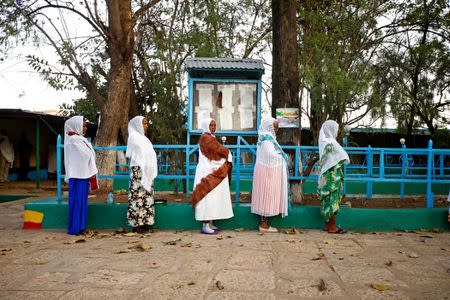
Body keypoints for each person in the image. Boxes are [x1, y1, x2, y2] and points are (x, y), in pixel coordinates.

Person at [192, 118, 233, 234]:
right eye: (211, 125)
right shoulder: (206, 138)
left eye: (215, 125)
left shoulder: (211, 138)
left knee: (213, 198)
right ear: (206, 126)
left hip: (211, 170)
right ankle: (205, 225)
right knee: (207, 198)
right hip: (206, 172)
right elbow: (218, 150)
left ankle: (210, 223)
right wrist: (227, 153)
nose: (213, 127)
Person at [251, 117, 289, 233]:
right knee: (267, 196)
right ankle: (263, 225)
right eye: (275, 126)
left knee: (265, 196)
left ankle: (264, 223)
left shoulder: (265, 137)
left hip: (266, 171)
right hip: (268, 172)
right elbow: (270, 155)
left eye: (277, 127)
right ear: (269, 127)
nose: (276, 129)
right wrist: (281, 156)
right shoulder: (267, 139)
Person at [64, 116, 98, 235]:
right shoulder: (73, 139)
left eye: (86, 126)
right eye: (83, 126)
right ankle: (75, 228)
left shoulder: (80, 139)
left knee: (82, 202)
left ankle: (81, 227)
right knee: (77, 202)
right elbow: (85, 155)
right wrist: (89, 151)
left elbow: (88, 153)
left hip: (83, 175)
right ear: (76, 126)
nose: (85, 128)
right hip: (77, 175)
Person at [126, 116, 158, 234]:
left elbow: (149, 153)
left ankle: (146, 222)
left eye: (146, 123)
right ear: (138, 125)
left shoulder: (144, 138)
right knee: (137, 196)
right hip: (138, 169)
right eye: (144, 123)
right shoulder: (133, 136)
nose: (146, 126)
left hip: (146, 170)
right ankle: (136, 224)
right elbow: (140, 152)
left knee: (147, 196)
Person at [318, 120, 350, 234]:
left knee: (328, 199)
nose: (338, 131)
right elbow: (342, 157)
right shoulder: (331, 142)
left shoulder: (324, 142)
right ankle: (332, 227)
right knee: (333, 199)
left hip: (328, 175)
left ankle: (328, 225)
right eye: (336, 129)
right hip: (332, 176)